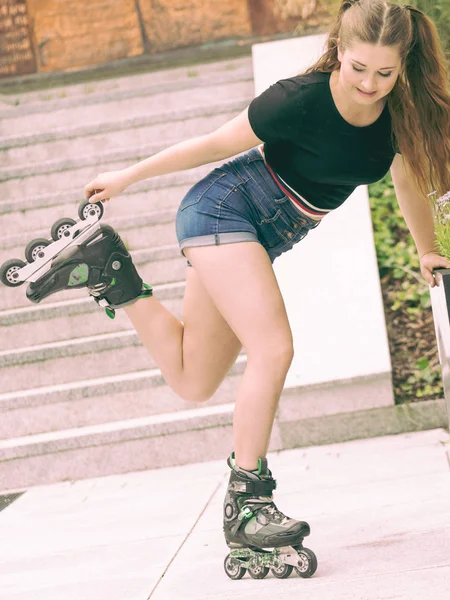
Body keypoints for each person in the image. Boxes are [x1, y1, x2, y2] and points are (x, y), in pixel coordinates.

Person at [20, 0, 450, 573]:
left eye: (384, 72)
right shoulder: (299, 98)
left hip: (263, 236)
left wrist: (426, 249)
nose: (370, 83)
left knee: (192, 378)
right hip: (225, 210)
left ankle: (109, 273)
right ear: (339, 52)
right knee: (274, 348)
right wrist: (128, 176)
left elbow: (408, 185)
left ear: (403, 65)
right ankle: (249, 502)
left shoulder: (400, 117)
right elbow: (216, 143)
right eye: (358, 68)